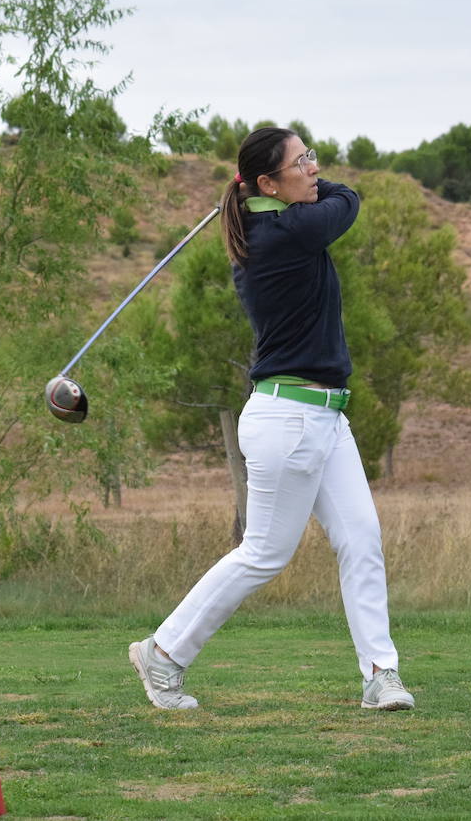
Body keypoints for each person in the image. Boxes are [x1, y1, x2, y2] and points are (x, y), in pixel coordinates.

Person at [129, 127, 414, 712]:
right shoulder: (279, 234)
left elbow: (328, 197)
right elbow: (348, 200)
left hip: (327, 419)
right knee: (263, 553)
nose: (314, 169)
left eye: (313, 158)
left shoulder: (277, 224)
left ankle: (381, 674)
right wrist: (301, 187)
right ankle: (162, 654)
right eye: (302, 161)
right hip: (288, 418)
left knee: (361, 540)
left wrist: (271, 183)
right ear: (267, 183)